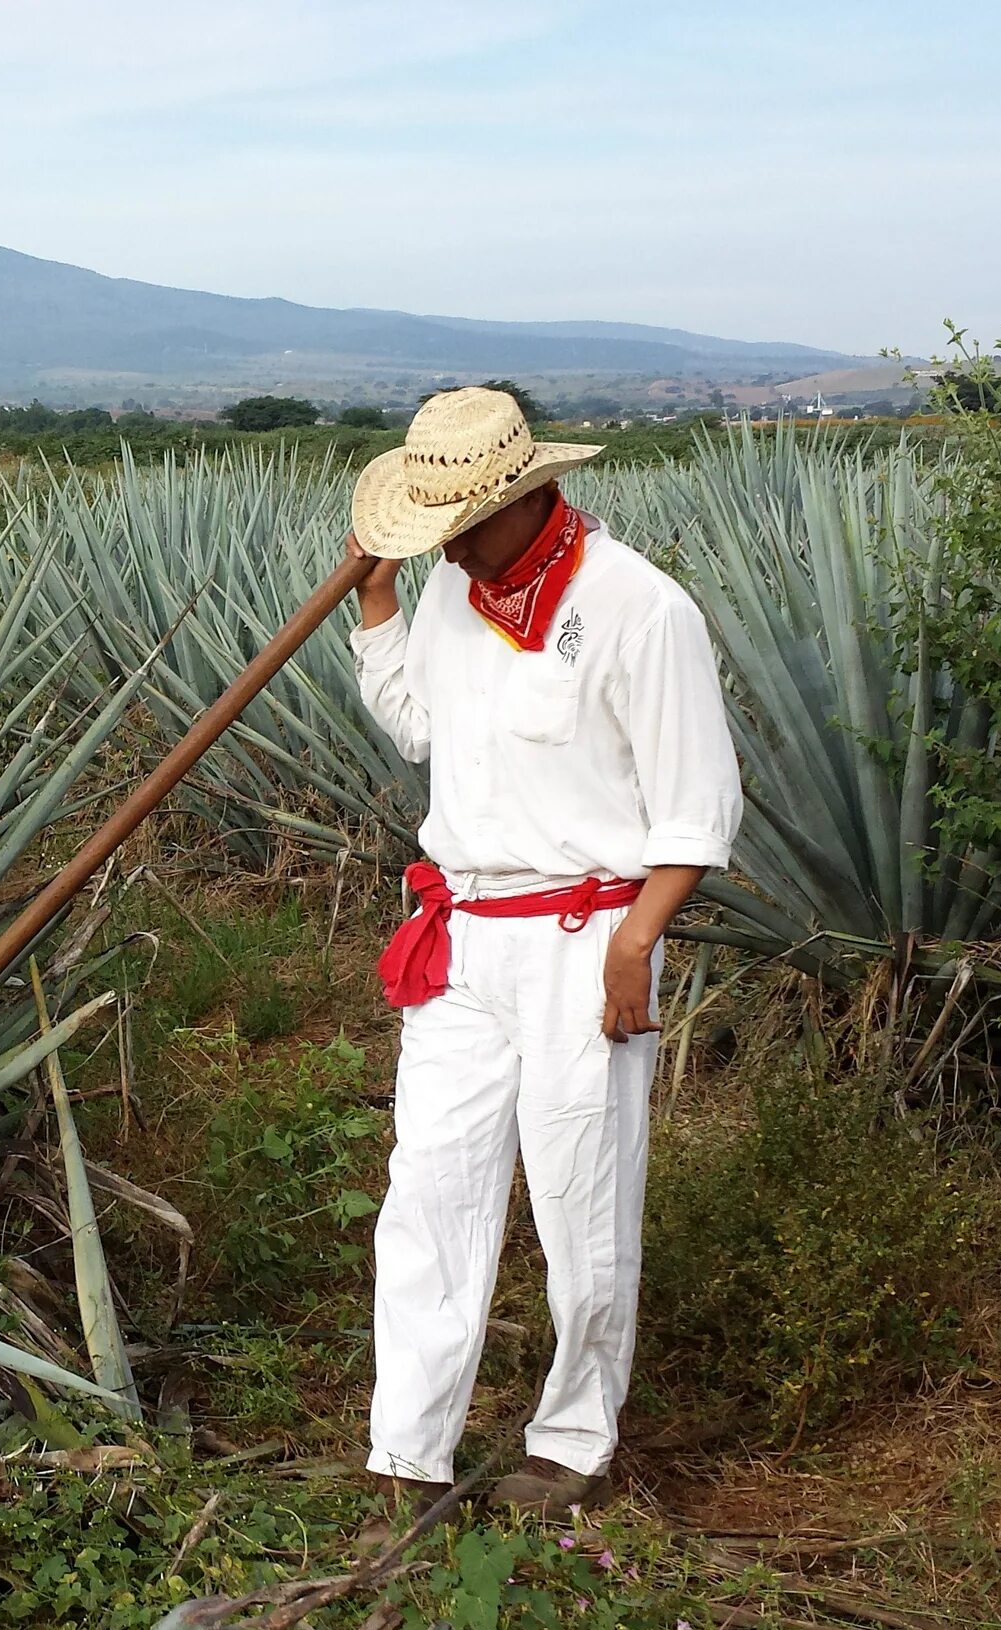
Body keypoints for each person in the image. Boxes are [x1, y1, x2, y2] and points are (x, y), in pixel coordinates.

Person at [345, 386, 741, 1515]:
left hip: (589, 936)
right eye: (434, 528)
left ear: (526, 495)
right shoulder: (447, 594)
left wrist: (638, 943)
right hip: (463, 939)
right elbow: (422, 725)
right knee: (429, 1187)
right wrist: (377, 602)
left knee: (581, 1192)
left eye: (462, 520)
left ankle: (571, 1441)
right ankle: (406, 1452)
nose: (450, 542)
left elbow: (697, 802)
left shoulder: (638, 608)